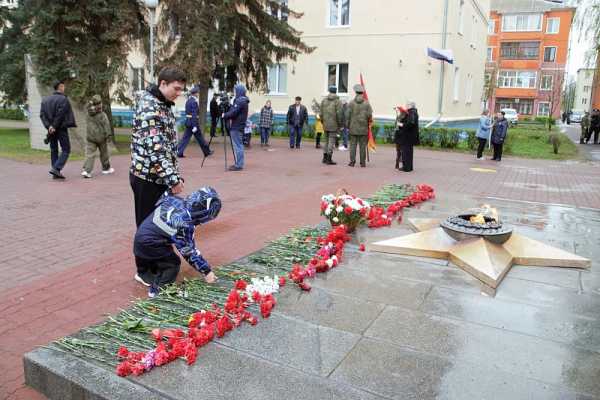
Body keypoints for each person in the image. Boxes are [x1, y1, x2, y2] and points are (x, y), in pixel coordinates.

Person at [134, 187, 221, 296]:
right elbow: (189, 251)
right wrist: (207, 271)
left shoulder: (174, 200)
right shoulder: (185, 224)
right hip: (150, 245)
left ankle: (143, 273)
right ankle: (157, 292)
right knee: (172, 264)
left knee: (161, 250)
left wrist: (171, 188)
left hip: (140, 237)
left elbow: (163, 196)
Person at [130, 67, 186, 228]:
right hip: (147, 178)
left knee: (159, 226)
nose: (179, 93)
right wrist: (173, 179)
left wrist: (173, 176)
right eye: (176, 88)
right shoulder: (150, 106)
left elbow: (168, 145)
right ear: (163, 83)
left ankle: (154, 251)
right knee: (147, 228)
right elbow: (155, 149)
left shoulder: (163, 104)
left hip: (158, 177)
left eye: (181, 90)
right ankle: (144, 253)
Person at [40, 80, 77, 179]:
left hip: (51, 129)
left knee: (54, 150)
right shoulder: (63, 99)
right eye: (63, 86)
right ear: (60, 87)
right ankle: (56, 168)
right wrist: (53, 126)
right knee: (66, 149)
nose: (64, 88)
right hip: (60, 128)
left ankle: (55, 172)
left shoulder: (45, 100)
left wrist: (49, 127)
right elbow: (60, 115)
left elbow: (42, 115)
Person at [81, 95, 114, 178]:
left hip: (90, 137)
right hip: (101, 137)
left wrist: (91, 102)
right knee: (104, 154)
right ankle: (106, 168)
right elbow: (106, 126)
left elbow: (87, 106)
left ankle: (87, 171)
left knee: (90, 154)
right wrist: (109, 135)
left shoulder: (88, 113)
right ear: (100, 104)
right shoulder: (102, 114)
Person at [177, 85, 212, 158]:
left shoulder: (188, 100)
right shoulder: (194, 102)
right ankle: (207, 152)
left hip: (188, 122)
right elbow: (194, 114)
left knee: (185, 139)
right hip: (193, 122)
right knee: (200, 138)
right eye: (197, 93)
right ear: (195, 93)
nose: (198, 94)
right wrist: (195, 125)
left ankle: (179, 152)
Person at [223, 83, 249, 171]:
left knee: (238, 146)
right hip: (239, 125)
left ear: (239, 91)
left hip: (236, 126)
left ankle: (239, 165)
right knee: (239, 145)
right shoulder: (243, 100)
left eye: (236, 90)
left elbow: (234, 112)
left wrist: (224, 115)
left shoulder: (240, 101)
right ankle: (239, 163)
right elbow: (234, 110)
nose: (235, 92)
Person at [346, 84, 373, 167]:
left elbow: (347, 115)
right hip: (363, 128)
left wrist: (347, 126)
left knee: (353, 146)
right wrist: (368, 122)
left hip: (353, 128)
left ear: (356, 92)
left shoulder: (351, 103)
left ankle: (352, 162)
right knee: (362, 146)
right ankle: (362, 162)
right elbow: (369, 115)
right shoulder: (367, 104)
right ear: (362, 93)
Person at [320, 85, 343, 165]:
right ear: (336, 91)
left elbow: (321, 113)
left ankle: (324, 157)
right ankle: (329, 159)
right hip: (333, 124)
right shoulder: (338, 101)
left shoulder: (324, 101)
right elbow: (339, 114)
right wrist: (340, 124)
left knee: (326, 141)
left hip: (325, 123)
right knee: (331, 141)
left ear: (329, 91)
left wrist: (323, 121)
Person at [400, 101, 419, 172]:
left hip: (408, 136)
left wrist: (402, 125)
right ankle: (409, 167)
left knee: (406, 152)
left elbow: (411, 123)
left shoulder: (412, 112)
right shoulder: (412, 112)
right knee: (408, 152)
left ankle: (406, 168)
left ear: (410, 106)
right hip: (410, 136)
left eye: (407, 105)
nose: (406, 106)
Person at [393, 106, 407, 170]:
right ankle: (398, 163)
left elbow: (396, 125)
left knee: (398, 150)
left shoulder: (401, 117)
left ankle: (397, 163)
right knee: (400, 150)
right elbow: (396, 125)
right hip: (400, 135)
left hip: (398, 135)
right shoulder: (402, 117)